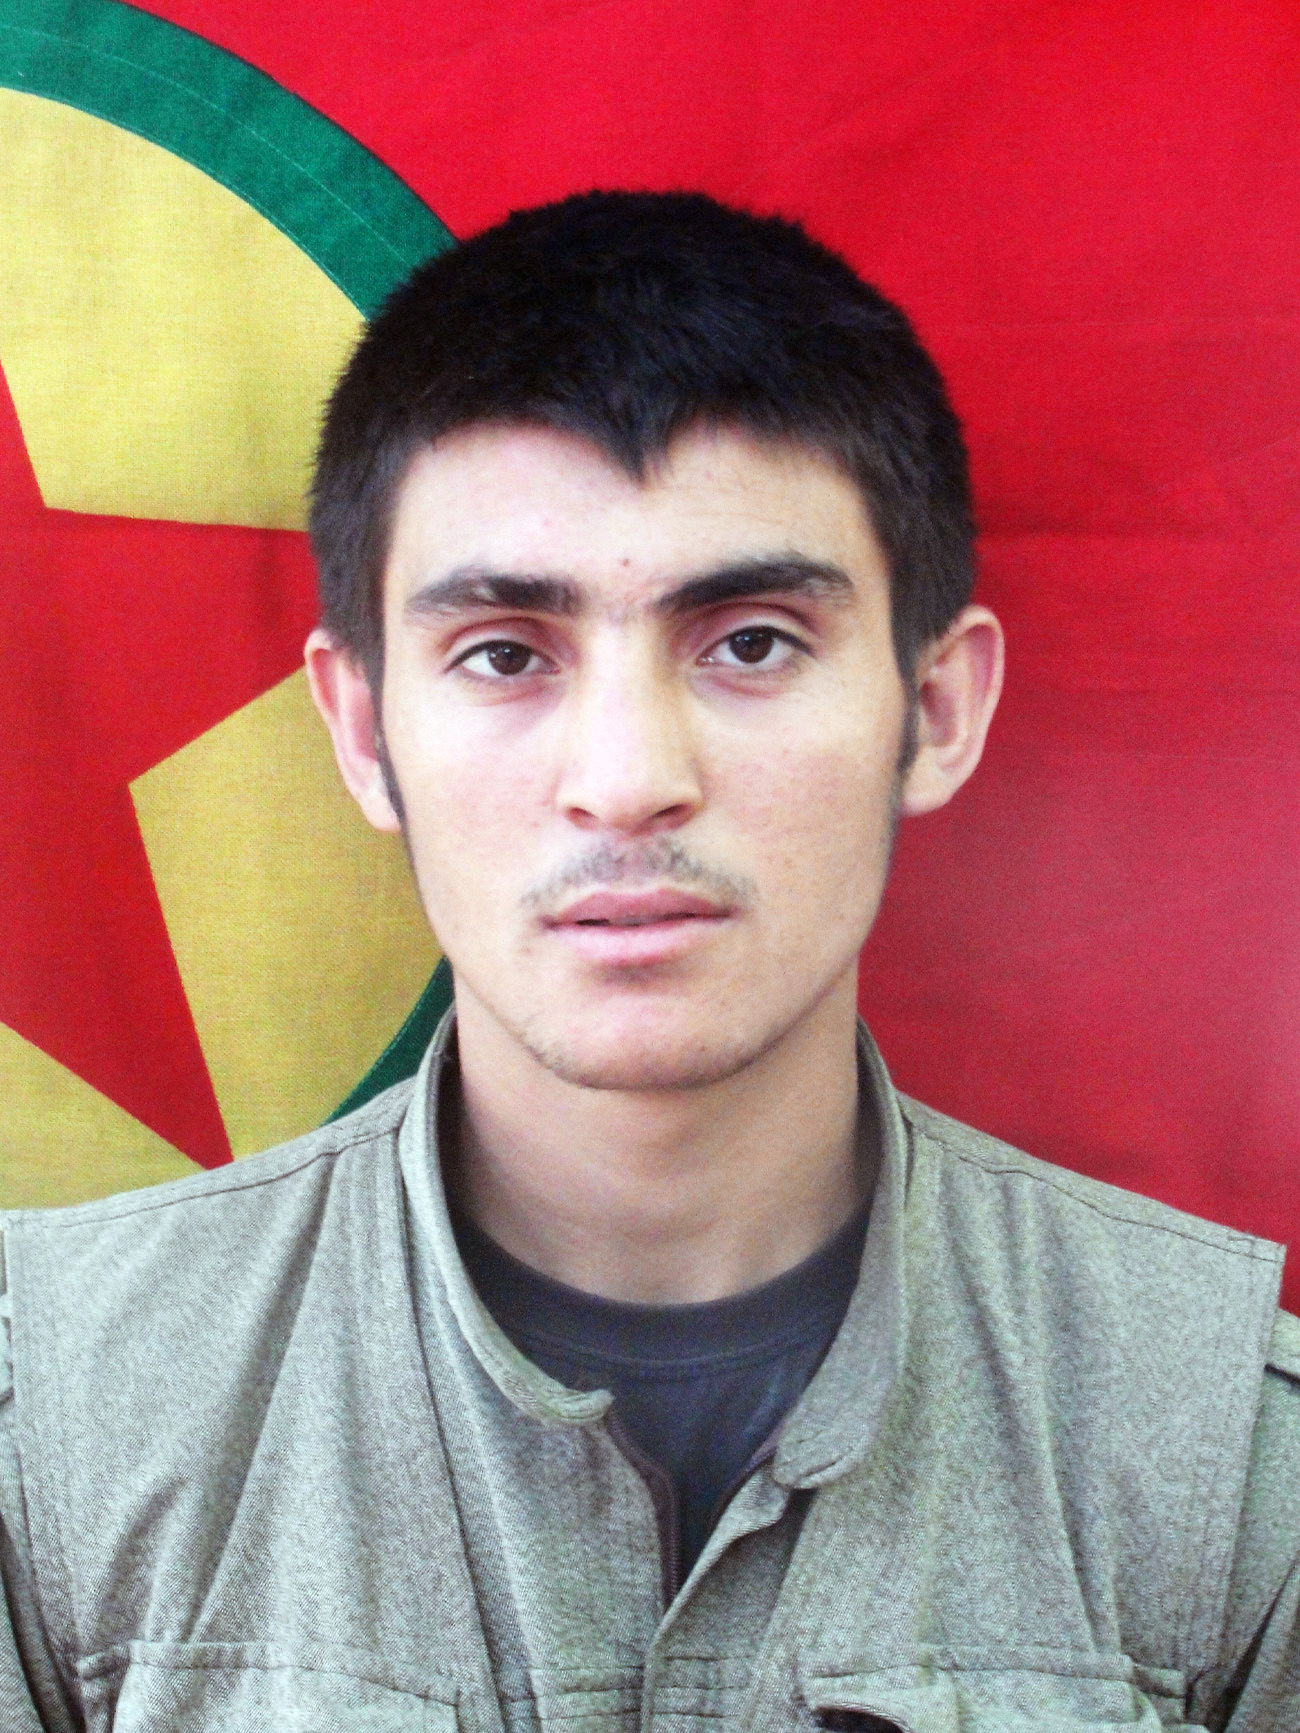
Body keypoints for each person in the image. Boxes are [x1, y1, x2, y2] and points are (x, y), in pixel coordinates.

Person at [1, 191, 1295, 1733]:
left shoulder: (1225, 1460)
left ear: (936, 710)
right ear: (361, 731)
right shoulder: (63, 1427)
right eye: (504, 653)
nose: (626, 780)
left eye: (750, 641)